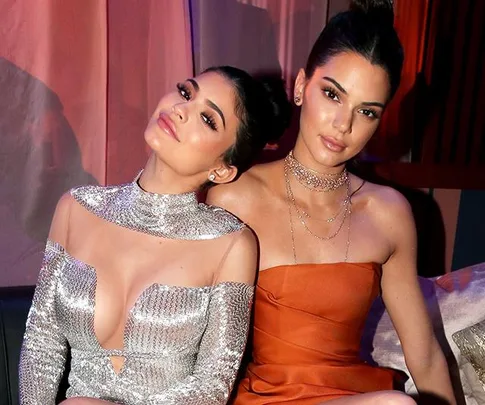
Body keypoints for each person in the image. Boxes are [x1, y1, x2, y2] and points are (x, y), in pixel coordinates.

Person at [207, 1, 456, 404]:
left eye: (367, 112)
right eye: (332, 94)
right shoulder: (235, 197)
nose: (344, 125)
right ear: (301, 85)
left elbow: (425, 358)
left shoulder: (388, 213)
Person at [18, 65, 291, 405]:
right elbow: (41, 345)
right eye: (186, 93)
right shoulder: (76, 209)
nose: (180, 110)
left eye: (208, 119)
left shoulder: (231, 244)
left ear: (222, 169)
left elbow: (212, 386)